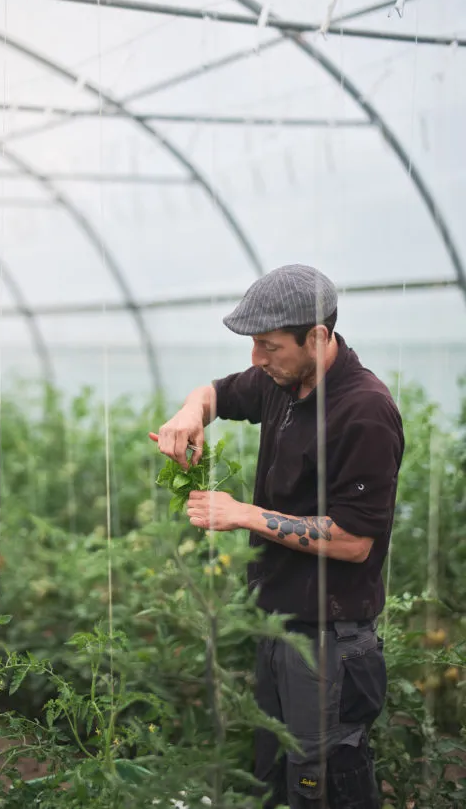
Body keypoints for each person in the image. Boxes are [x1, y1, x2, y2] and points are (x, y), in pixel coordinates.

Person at [151, 264, 404, 809]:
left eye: (268, 346)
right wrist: (190, 411)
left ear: (316, 337)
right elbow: (217, 392)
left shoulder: (364, 411)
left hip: (328, 639)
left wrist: (245, 514)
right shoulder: (282, 382)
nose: (256, 360)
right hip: (277, 622)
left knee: (326, 779)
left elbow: (354, 540)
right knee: (274, 773)